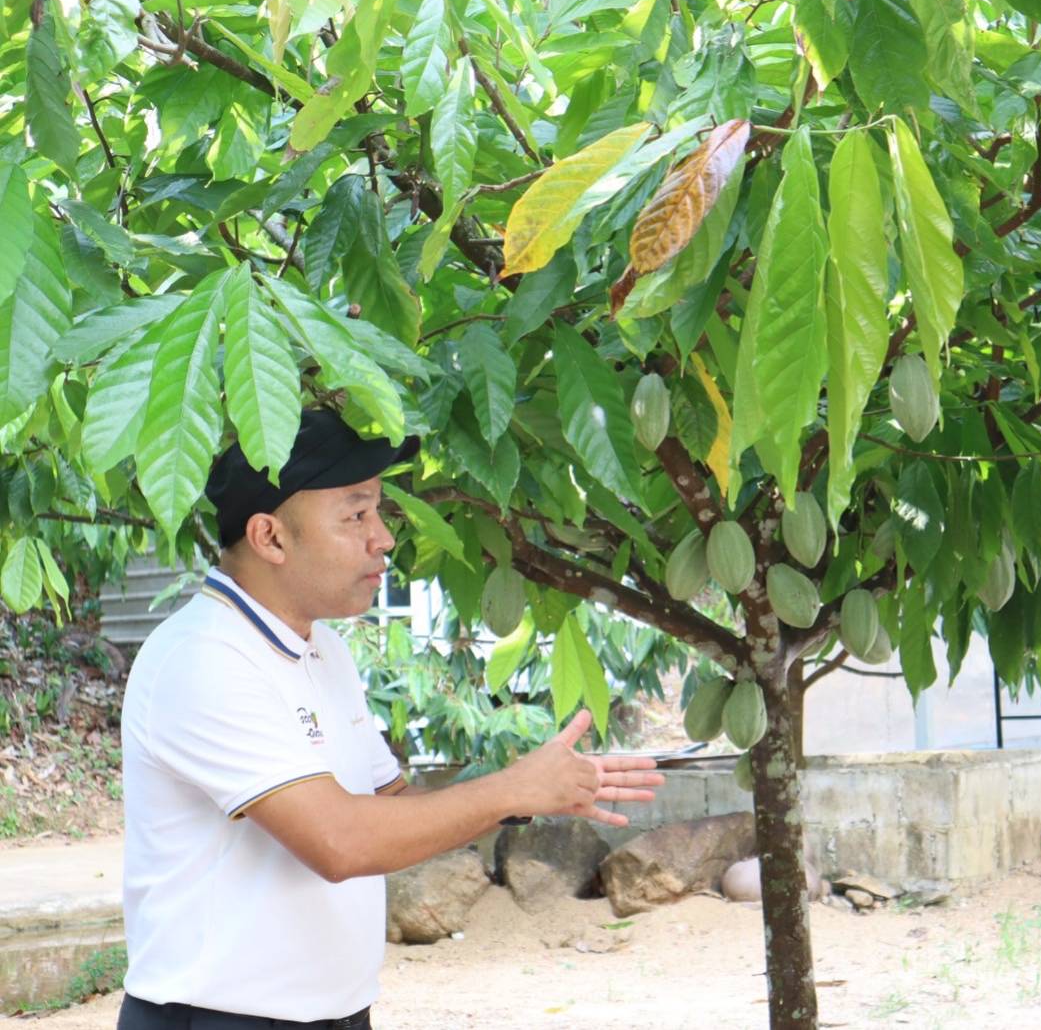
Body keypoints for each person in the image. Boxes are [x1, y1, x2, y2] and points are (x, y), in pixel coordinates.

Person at [117, 410, 665, 1029]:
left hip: (340, 1014)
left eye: (378, 512)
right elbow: (340, 841)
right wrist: (511, 789)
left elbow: (394, 806)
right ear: (270, 537)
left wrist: (528, 792)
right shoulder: (204, 657)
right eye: (356, 515)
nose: (383, 538)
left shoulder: (323, 648)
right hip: (219, 1018)